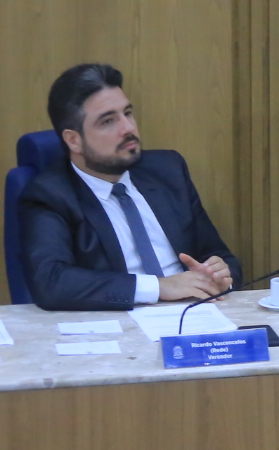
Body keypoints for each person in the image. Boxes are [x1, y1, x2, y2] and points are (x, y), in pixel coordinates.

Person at [18, 63, 240, 311]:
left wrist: (220, 275)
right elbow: (51, 282)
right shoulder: (50, 195)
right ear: (74, 140)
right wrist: (158, 287)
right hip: (117, 324)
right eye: (108, 121)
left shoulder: (169, 171)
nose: (128, 128)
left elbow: (220, 257)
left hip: (195, 315)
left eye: (128, 113)